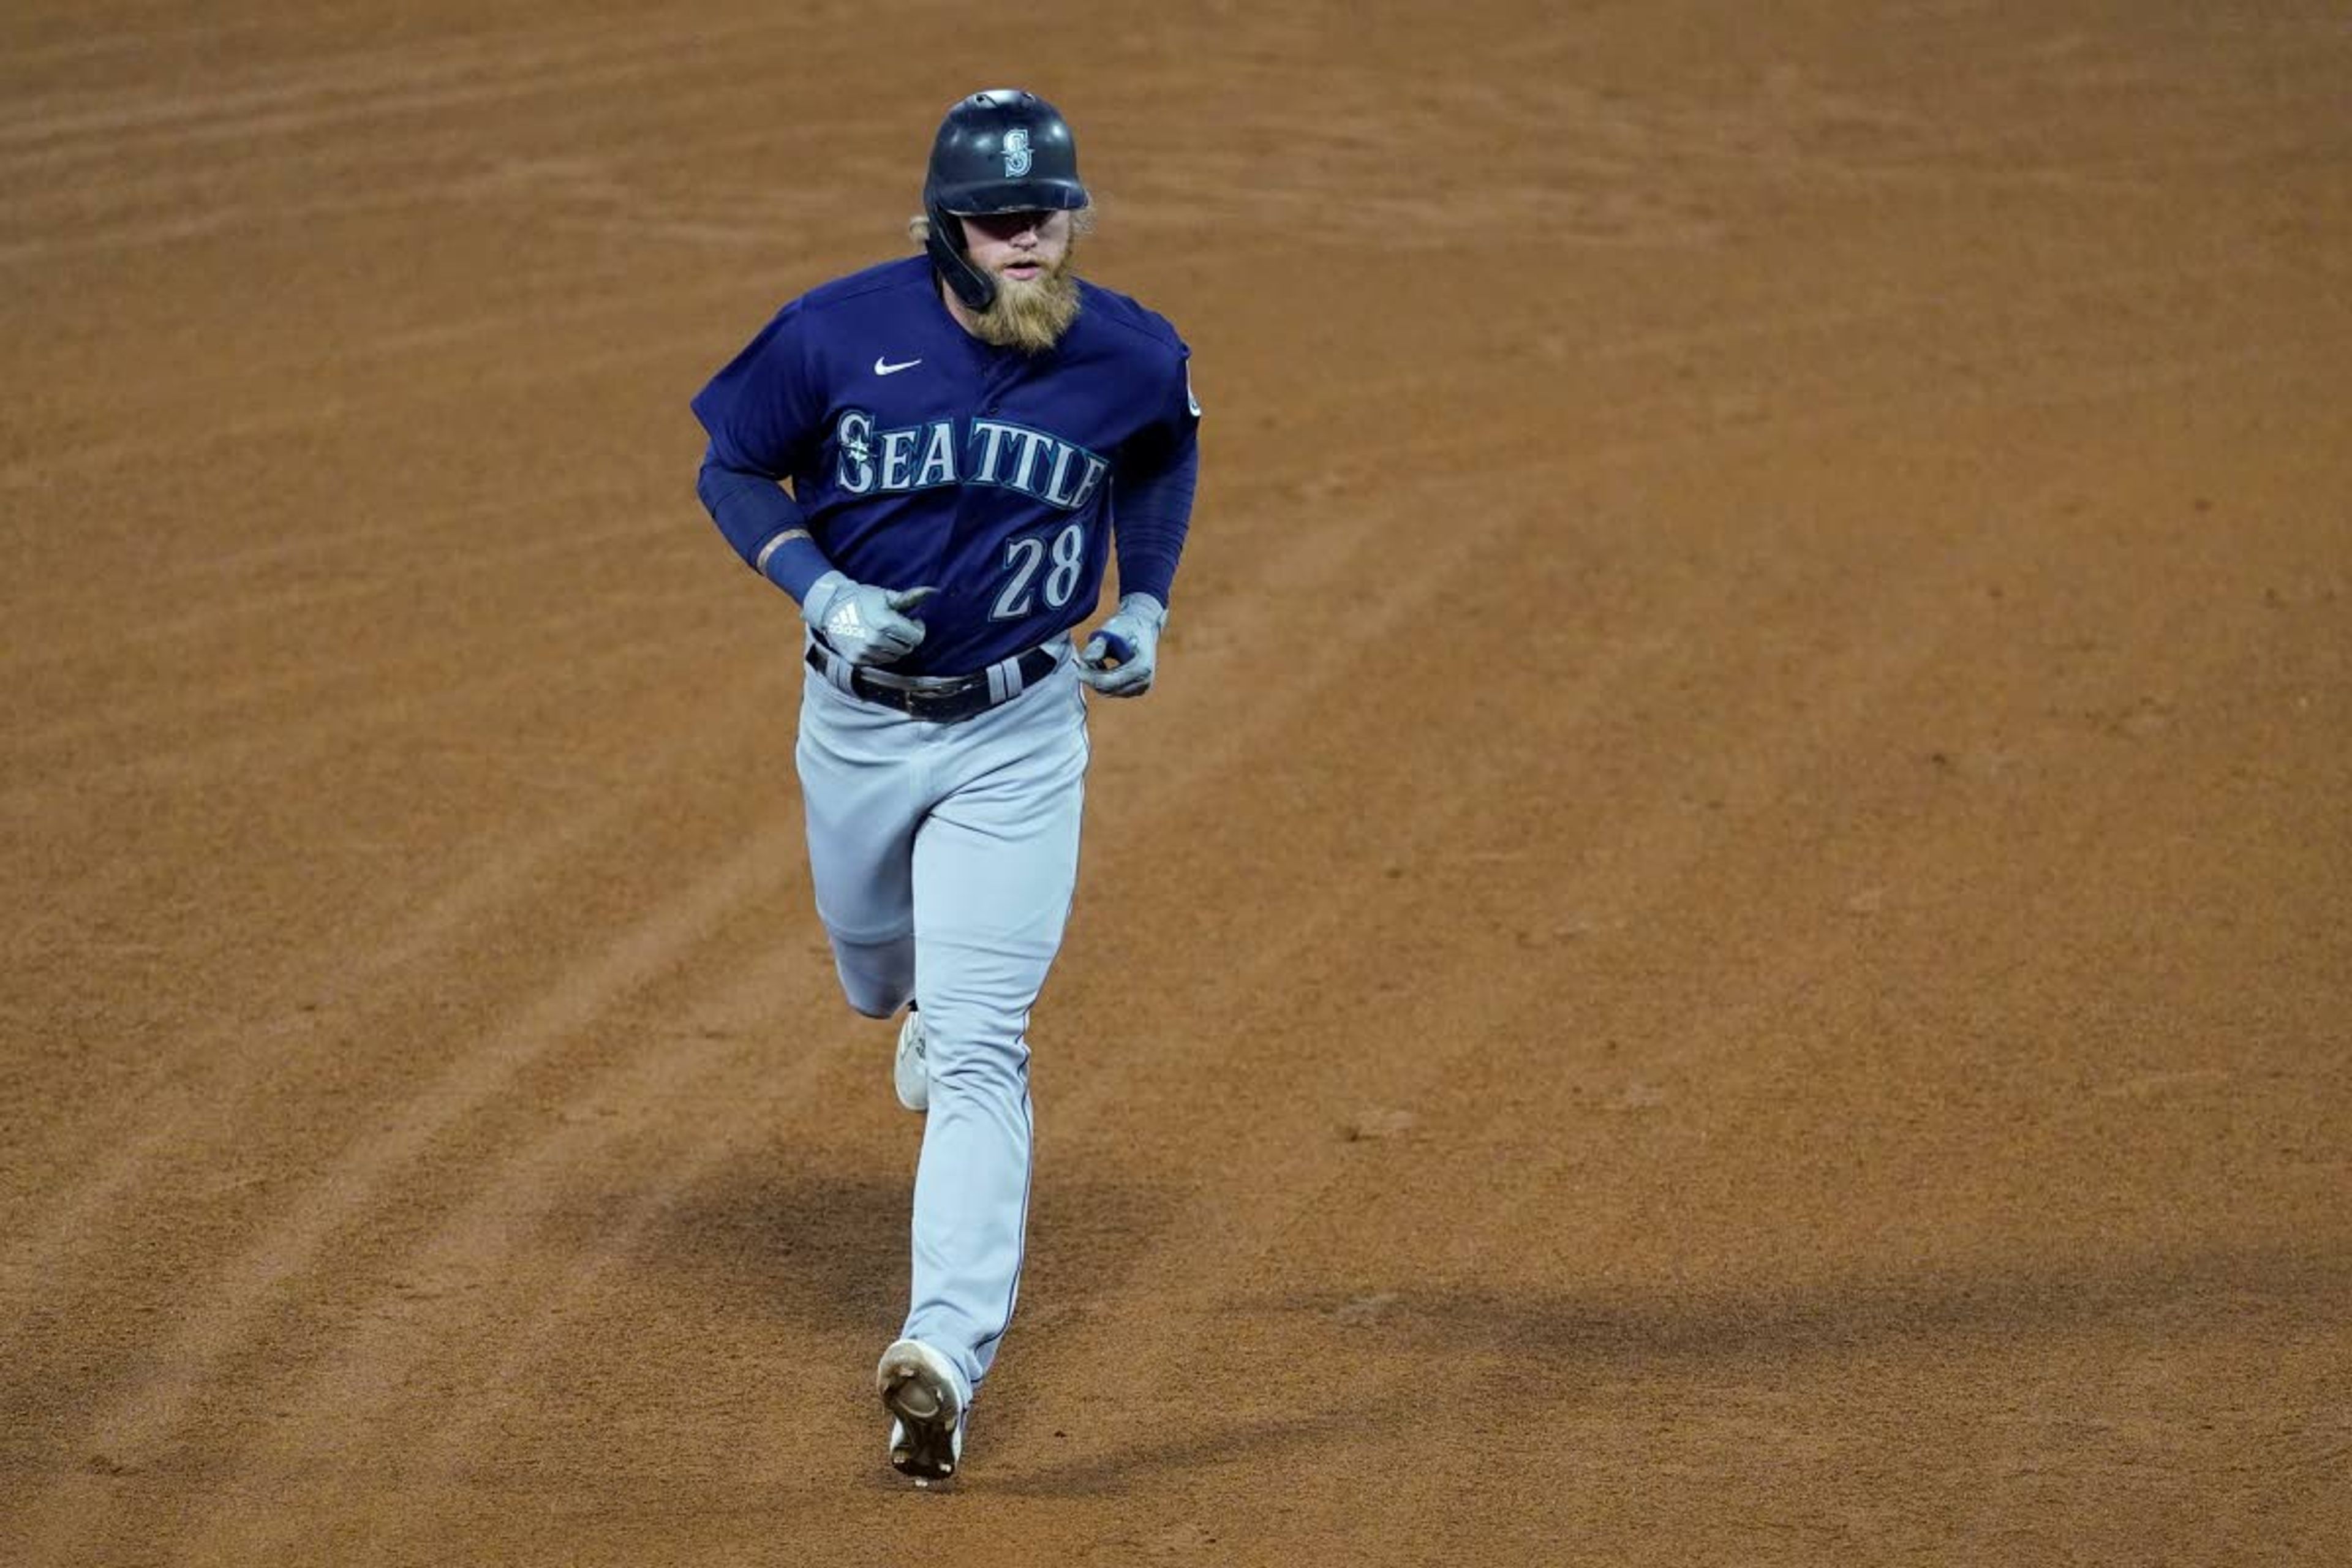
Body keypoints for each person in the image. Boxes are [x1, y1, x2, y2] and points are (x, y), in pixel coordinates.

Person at [687, 88, 1201, 1483]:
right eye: (1002, 220)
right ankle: (905, 996)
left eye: (1051, 215)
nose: (1032, 241)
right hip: (856, 726)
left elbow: (1164, 450)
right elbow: (733, 462)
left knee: (982, 1043)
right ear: (945, 230)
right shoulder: (834, 332)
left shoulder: (1129, 352)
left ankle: (943, 1353)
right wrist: (821, 585)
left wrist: (1145, 602)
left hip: (1019, 735)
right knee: (872, 976)